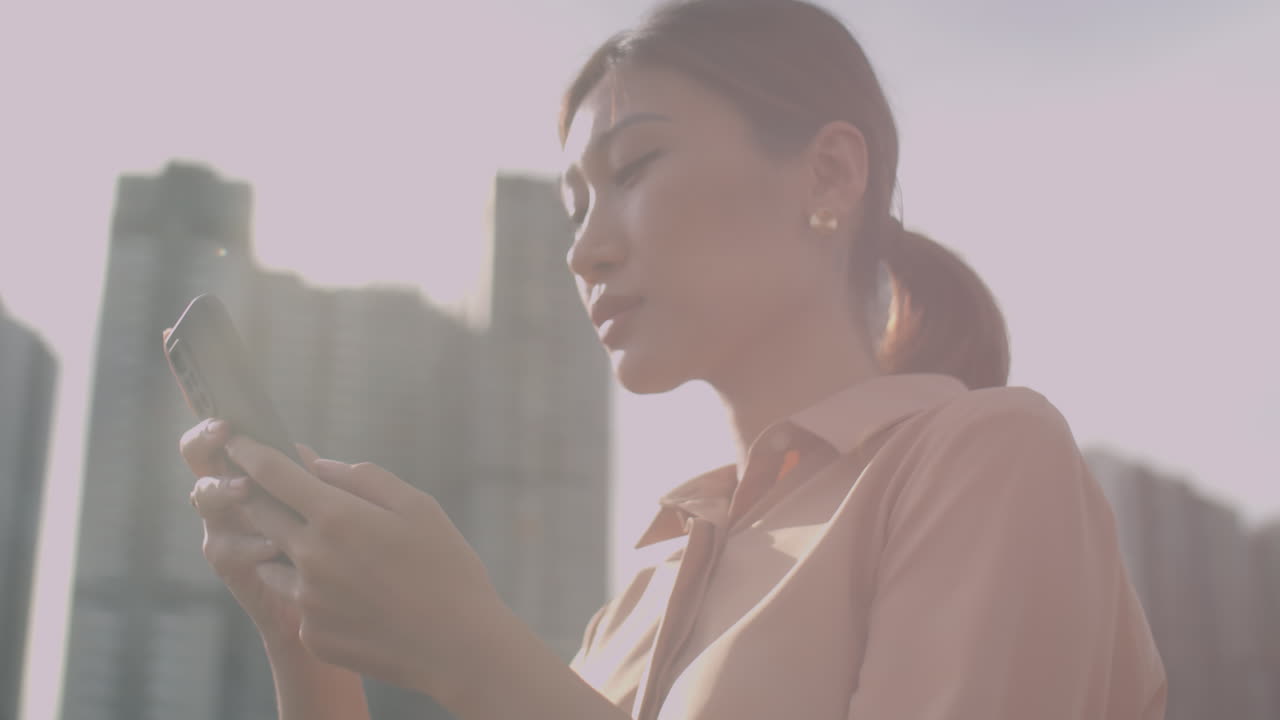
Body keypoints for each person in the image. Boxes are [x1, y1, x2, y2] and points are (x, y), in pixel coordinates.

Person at [179, 0, 1168, 718]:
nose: (583, 251)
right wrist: (307, 649)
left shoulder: (984, 459)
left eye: (635, 167)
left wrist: (468, 648)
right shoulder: (638, 599)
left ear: (829, 174)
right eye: (574, 209)